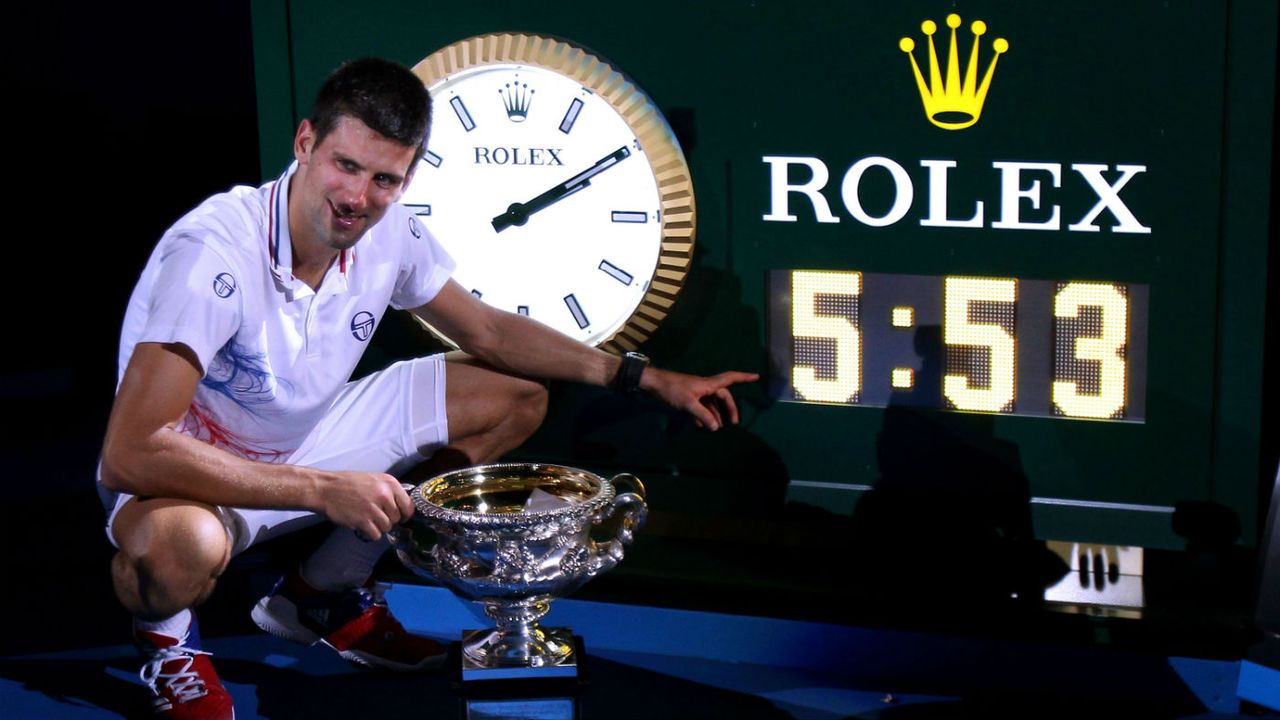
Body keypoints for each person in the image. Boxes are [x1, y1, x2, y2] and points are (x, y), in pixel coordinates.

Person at [97, 57, 756, 719]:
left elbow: (491, 331)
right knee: (181, 554)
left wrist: (643, 375)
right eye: (345, 166)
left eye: (385, 178)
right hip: (190, 473)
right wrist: (323, 489)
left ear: (407, 176)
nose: (358, 197)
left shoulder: (389, 230)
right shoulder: (212, 254)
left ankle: (321, 590)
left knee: (515, 396)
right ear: (305, 143)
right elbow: (132, 451)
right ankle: (168, 645)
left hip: (307, 435)